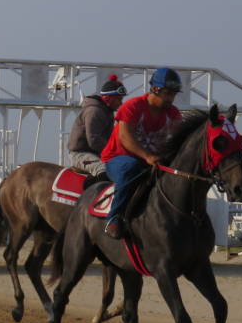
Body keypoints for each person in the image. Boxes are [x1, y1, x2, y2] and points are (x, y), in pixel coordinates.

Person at [99, 67, 184, 240]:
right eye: (168, 93)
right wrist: (147, 156)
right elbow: (125, 136)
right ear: (155, 89)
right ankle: (113, 218)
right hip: (117, 159)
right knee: (131, 167)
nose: (171, 98)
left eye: (173, 94)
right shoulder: (133, 106)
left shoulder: (173, 113)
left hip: (151, 162)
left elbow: (177, 140)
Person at [67, 75, 126, 179]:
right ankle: (90, 194)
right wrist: (114, 153)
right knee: (103, 169)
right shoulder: (94, 111)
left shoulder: (107, 111)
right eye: (118, 99)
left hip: (96, 153)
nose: (121, 103)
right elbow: (94, 140)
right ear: (108, 98)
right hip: (81, 154)